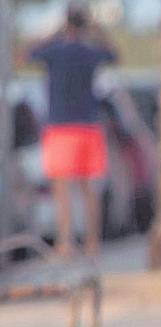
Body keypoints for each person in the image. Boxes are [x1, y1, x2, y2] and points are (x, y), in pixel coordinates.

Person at [26, 4, 117, 258]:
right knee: (89, 189)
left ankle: (66, 243)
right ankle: (92, 243)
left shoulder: (54, 52)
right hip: (88, 126)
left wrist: (55, 32)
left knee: (62, 189)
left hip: (60, 128)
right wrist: (97, 30)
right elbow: (113, 54)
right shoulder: (90, 53)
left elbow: (25, 53)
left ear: (66, 24)